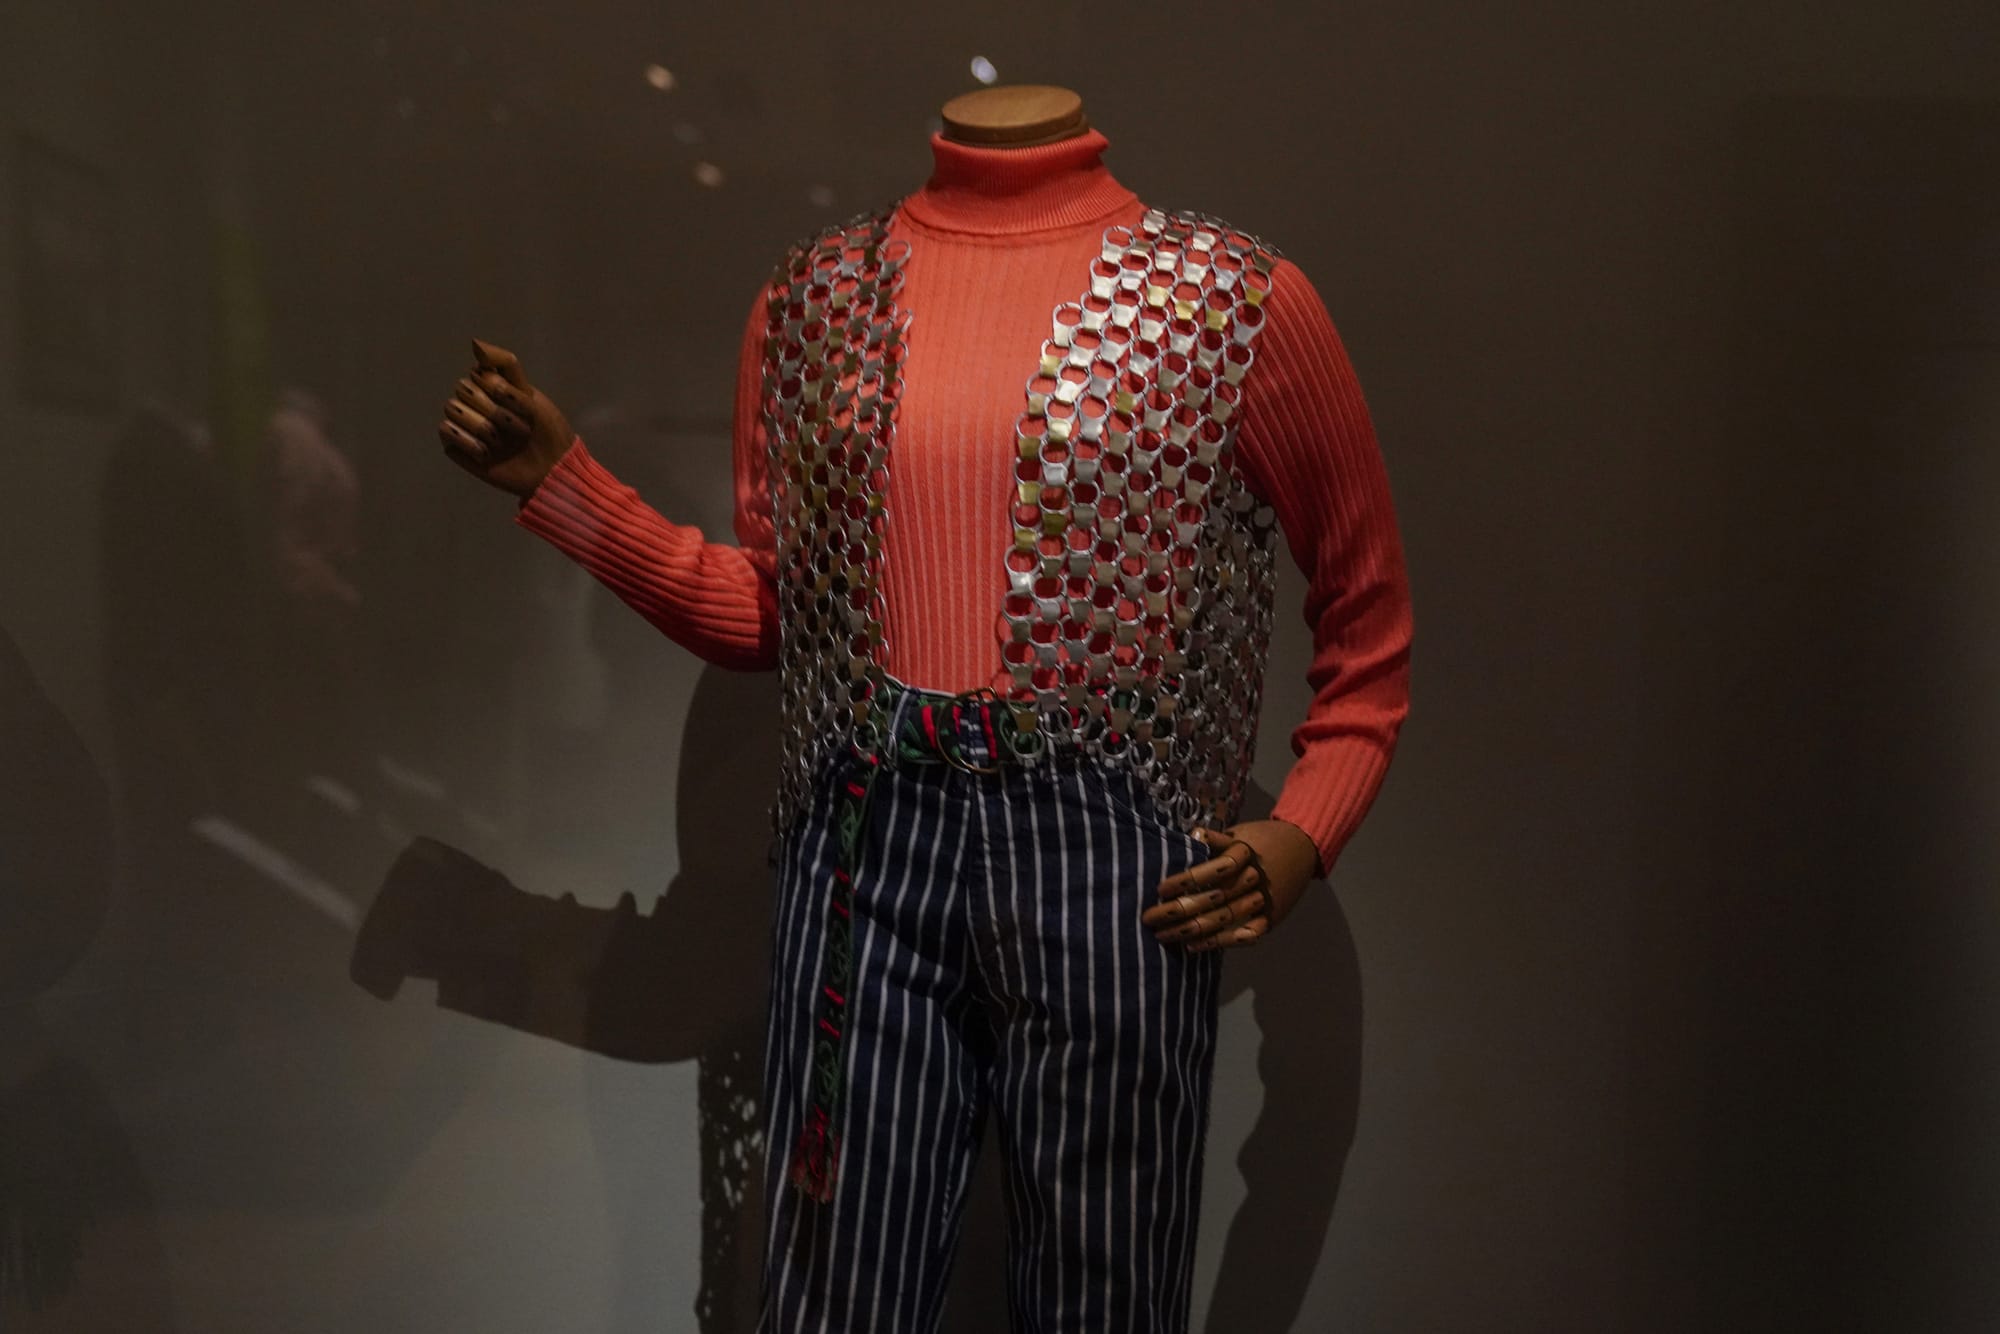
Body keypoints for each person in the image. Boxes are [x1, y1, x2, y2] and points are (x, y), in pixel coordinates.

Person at [437, 107, 1411, 1334]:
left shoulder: (1234, 301)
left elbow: (1366, 616)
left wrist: (1305, 828)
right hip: (865, 845)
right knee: (833, 1287)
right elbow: (773, 614)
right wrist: (567, 487)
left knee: (1103, 1285)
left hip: (1108, 855)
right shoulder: (814, 300)